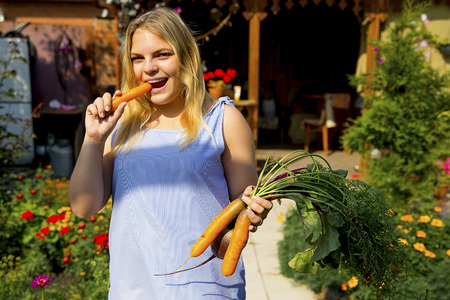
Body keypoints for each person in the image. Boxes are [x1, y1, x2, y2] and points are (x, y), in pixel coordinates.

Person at [68, 7, 272, 300]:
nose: (148, 68)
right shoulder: (122, 124)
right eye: (138, 58)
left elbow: (241, 214)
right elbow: (83, 207)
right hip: (134, 291)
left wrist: (253, 214)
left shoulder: (223, 120)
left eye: (162, 54)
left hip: (207, 290)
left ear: (186, 57)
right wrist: (93, 138)